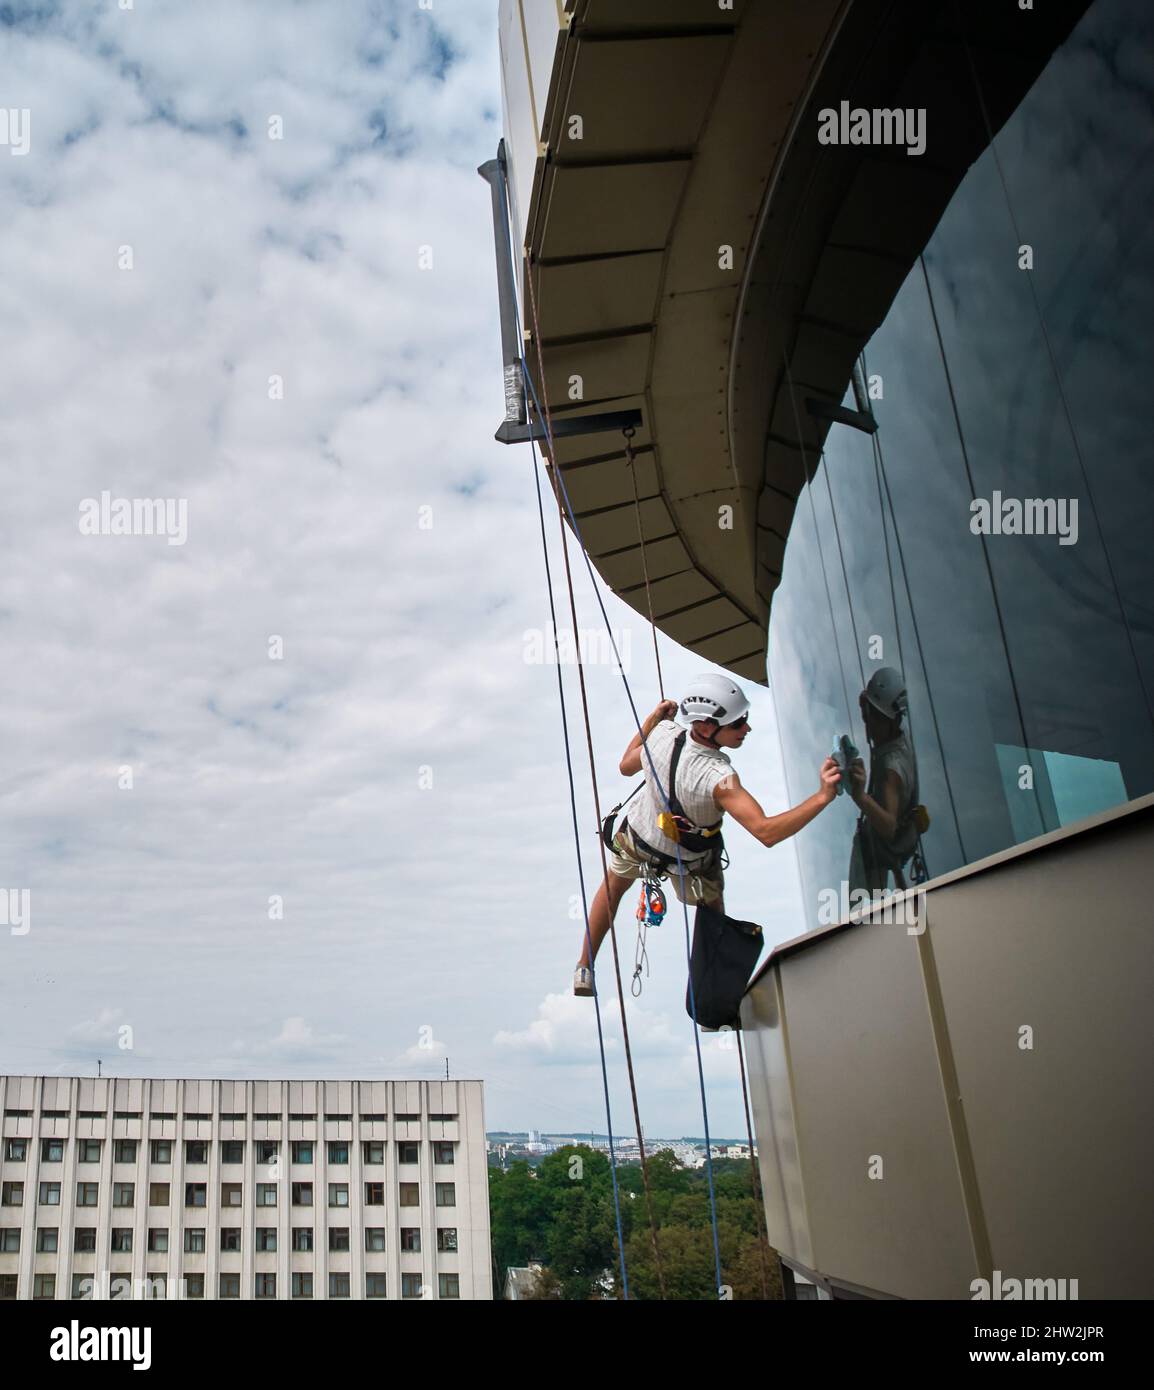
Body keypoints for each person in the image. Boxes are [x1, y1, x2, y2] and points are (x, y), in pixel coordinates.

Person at [573, 671, 841, 996]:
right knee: (713, 910)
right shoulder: (720, 778)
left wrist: (653, 719)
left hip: (639, 838)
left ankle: (585, 966)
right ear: (704, 727)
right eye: (737, 723)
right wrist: (822, 796)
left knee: (612, 889)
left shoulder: (661, 735)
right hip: (691, 859)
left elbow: (626, 765)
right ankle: (712, 995)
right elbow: (765, 832)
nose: (747, 729)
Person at [847, 666, 920, 892]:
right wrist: (865, 703)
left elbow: (888, 826)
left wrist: (860, 797)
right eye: (869, 714)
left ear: (892, 720)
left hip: (883, 856)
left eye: (876, 718)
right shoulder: (898, 736)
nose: (869, 724)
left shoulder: (892, 770)